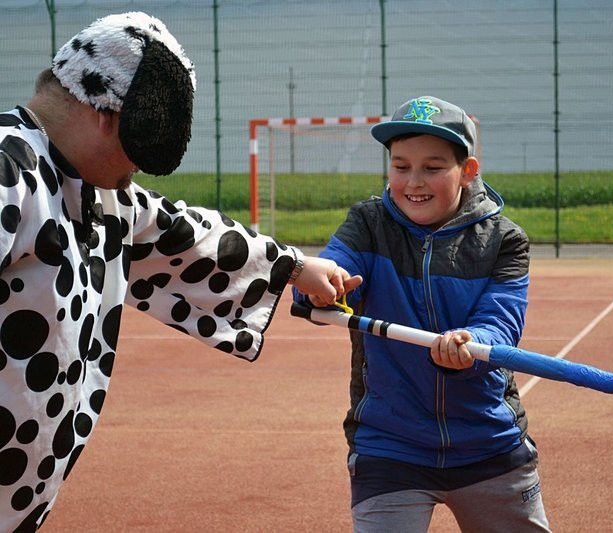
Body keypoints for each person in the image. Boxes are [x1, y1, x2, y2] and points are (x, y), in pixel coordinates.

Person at [0, 12, 360, 532]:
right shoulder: (10, 171)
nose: (135, 173)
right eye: (137, 153)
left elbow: (185, 235)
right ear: (107, 116)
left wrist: (296, 266)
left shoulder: (99, 194)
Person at [296, 96, 549, 532]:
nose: (414, 181)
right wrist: (321, 284)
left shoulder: (505, 240)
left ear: (467, 171)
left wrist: (472, 342)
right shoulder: (368, 224)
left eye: (433, 168)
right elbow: (332, 275)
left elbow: (501, 323)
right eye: (400, 166)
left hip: (488, 445)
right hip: (389, 447)